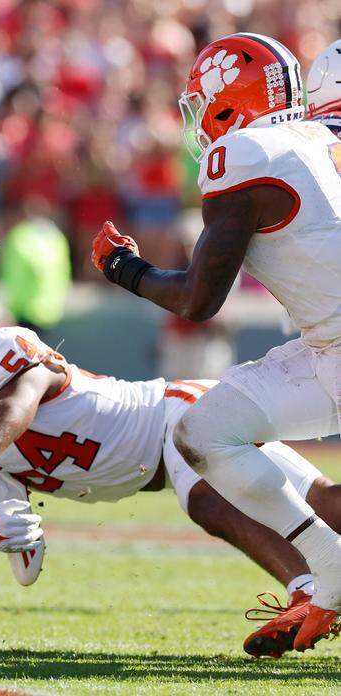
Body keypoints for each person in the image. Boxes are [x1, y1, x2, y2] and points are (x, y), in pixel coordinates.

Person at [0, 296, 341, 658]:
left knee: (206, 500)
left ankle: (308, 590)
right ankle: (316, 586)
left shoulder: (2, 356)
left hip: (176, 416)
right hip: (159, 450)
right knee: (325, 505)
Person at [88, 33, 341, 651]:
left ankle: (329, 564)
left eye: (205, 105)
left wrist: (126, 270)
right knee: (207, 426)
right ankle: (330, 570)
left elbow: (199, 301)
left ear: (229, 101)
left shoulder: (245, 153)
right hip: (327, 347)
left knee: (203, 434)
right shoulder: (320, 140)